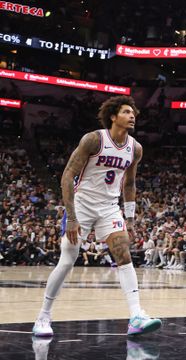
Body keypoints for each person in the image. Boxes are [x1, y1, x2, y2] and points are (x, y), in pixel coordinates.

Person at [32, 96, 161, 338]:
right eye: (126, 112)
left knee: (123, 251)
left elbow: (130, 183)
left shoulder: (135, 148)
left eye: (133, 113)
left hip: (109, 207)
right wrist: (71, 217)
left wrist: (130, 219)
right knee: (68, 259)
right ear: (113, 116)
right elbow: (67, 176)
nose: (132, 116)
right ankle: (43, 316)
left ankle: (136, 316)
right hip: (81, 205)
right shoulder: (94, 139)